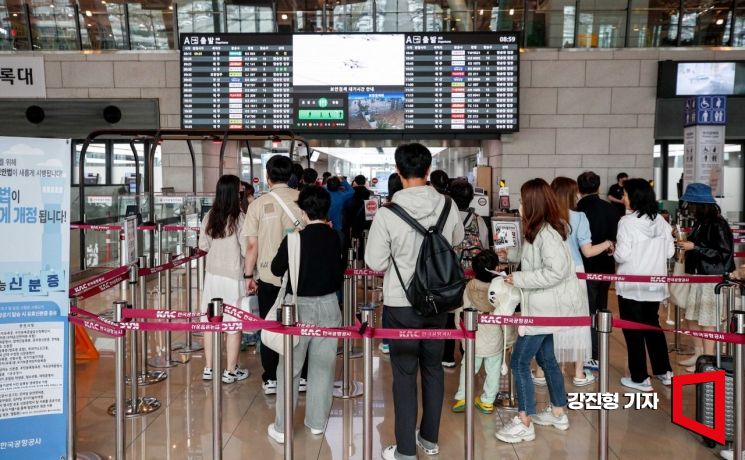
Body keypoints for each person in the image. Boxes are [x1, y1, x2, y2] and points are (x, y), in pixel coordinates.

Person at [366, 143, 464, 460]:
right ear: (427, 171)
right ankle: (429, 439)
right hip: (438, 302)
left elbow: (375, 262)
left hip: (401, 304)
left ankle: (406, 449)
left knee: (404, 373)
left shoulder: (387, 213)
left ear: (398, 171)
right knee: (433, 368)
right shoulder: (448, 206)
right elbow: (457, 241)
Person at [495, 178, 579, 445]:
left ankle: (524, 420)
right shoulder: (542, 231)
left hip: (543, 310)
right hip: (544, 309)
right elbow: (539, 263)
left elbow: (555, 272)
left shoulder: (546, 234)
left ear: (533, 204)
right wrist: (511, 259)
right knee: (547, 360)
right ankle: (557, 411)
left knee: (519, 362)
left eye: (522, 200)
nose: (519, 205)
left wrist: (517, 279)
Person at [267, 185, 344, 443]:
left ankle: (282, 427)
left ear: (302, 209)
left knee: (289, 368)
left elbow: (277, 270)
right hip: (330, 307)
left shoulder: (294, 238)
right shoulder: (337, 237)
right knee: (323, 368)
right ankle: (316, 423)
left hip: (297, 309)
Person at [241, 155, 305, 395]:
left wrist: (249, 275)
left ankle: (271, 378)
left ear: (268, 178)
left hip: (268, 276)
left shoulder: (257, 205)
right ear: (290, 176)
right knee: (300, 325)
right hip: (300, 277)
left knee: (269, 326)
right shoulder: (303, 199)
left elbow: (251, 247)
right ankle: (302, 376)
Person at [541, 177, 614, 387]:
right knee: (578, 320)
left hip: (551, 272)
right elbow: (588, 251)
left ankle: (542, 371)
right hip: (575, 273)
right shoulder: (579, 217)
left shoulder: (545, 217)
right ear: (574, 194)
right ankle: (579, 373)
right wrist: (608, 243)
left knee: (550, 318)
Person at [614, 178, 674, 392]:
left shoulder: (627, 222)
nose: (623, 198)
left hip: (631, 285)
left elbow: (623, 255)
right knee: (653, 326)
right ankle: (664, 371)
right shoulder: (660, 221)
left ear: (634, 197)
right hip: (655, 284)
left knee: (633, 330)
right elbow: (670, 253)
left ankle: (640, 378)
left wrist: (612, 250)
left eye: (626, 194)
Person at [677, 183, 734, 372]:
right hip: (699, 275)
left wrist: (696, 247)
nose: (689, 208)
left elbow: (724, 254)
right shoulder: (701, 222)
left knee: (708, 321)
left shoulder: (718, 223)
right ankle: (698, 354)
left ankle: (708, 360)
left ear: (700, 205)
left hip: (712, 278)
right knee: (693, 317)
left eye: (692, 204)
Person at [199, 175, 249, 384]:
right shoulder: (239, 217)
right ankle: (230, 370)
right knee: (233, 324)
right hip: (233, 276)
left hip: (212, 276)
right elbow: (247, 248)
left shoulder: (210, 215)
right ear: (233, 191)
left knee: (210, 321)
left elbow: (203, 245)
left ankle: (209, 368)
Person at [451, 251, 508, 415]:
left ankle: (462, 397)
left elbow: (459, 312)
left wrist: (460, 334)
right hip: (494, 339)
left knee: (468, 368)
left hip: (472, 338)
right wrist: (508, 341)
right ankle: (487, 401)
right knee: (493, 371)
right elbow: (505, 316)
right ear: (496, 268)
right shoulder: (501, 288)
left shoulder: (469, 287)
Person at [441, 178, 490, 368]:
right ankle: (467, 353)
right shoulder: (478, 221)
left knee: (447, 315)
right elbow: (485, 248)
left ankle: (447, 355)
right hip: (471, 279)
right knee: (467, 314)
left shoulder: (444, 218)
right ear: (471, 199)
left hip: (448, 276)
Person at [576, 171, 620, 371]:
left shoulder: (577, 210)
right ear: (599, 187)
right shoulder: (611, 209)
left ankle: (590, 354)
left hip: (584, 268)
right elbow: (615, 239)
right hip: (606, 267)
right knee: (601, 308)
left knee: (587, 311)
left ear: (578, 189)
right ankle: (599, 351)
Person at [378, 172, 403, 356]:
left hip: (394, 274)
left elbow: (376, 260)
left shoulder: (386, 210)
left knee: (390, 306)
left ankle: (387, 341)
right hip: (424, 278)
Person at [344, 175, 372, 261]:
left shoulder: (350, 194)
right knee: (365, 243)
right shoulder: (370, 194)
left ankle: (355, 261)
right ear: (365, 182)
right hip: (367, 224)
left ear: (355, 182)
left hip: (353, 225)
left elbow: (346, 210)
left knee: (354, 245)